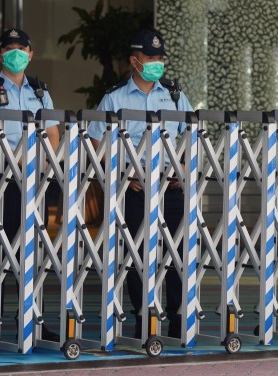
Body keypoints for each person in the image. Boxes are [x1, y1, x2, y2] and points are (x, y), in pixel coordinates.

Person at [87, 28, 192, 340]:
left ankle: (176, 316)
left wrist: (184, 165)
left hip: (172, 186)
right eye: (150, 57)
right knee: (136, 254)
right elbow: (96, 145)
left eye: (160, 57)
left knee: (178, 252)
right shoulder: (114, 98)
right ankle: (142, 315)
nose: (157, 62)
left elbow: (190, 136)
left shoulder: (174, 95)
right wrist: (122, 173)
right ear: (134, 61)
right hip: (134, 189)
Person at [0, 27, 60, 342]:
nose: (16, 54)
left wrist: (48, 163)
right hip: (2, 183)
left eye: (22, 48)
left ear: (31, 54)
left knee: (33, 250)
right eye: (9, 49)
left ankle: (34, 319)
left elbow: (52, 132)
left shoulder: (40, 91)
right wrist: (13, 162)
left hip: (35, 181)